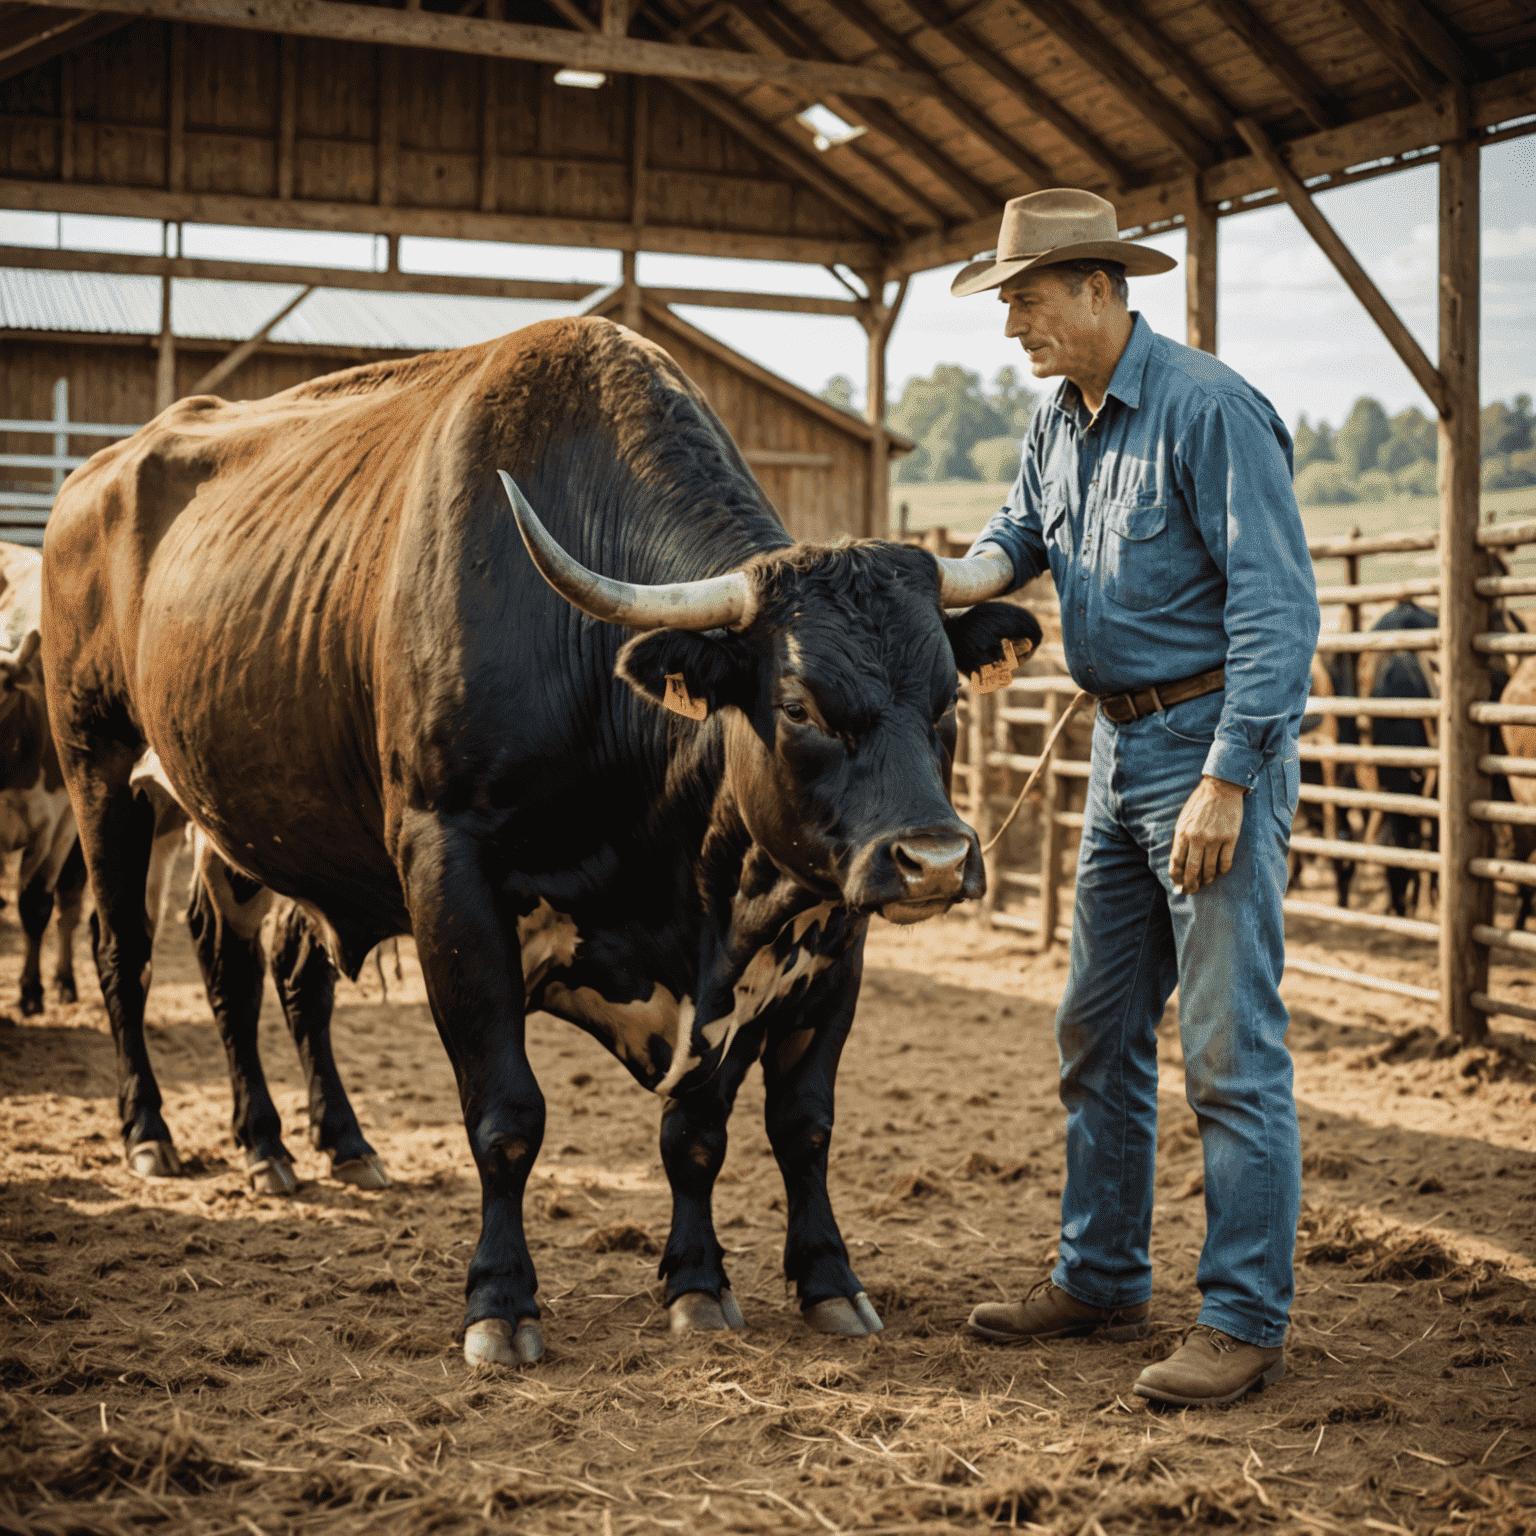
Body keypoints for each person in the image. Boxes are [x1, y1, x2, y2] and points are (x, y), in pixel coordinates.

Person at [955, 189, 1319, 1407]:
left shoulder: (1209, 410)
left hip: (1208, 754)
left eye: (1027, 299)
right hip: (1117, 757)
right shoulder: (1057, 421)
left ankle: (1242, 1317)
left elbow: (1279, 611)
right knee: (1096, 1029)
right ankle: (1101, 1274)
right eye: (1007, 303)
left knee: (1226, 1047)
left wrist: (1228, 776)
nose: (1013, 325)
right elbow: (1021, 534)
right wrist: (948, 576)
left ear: (1101, 288)